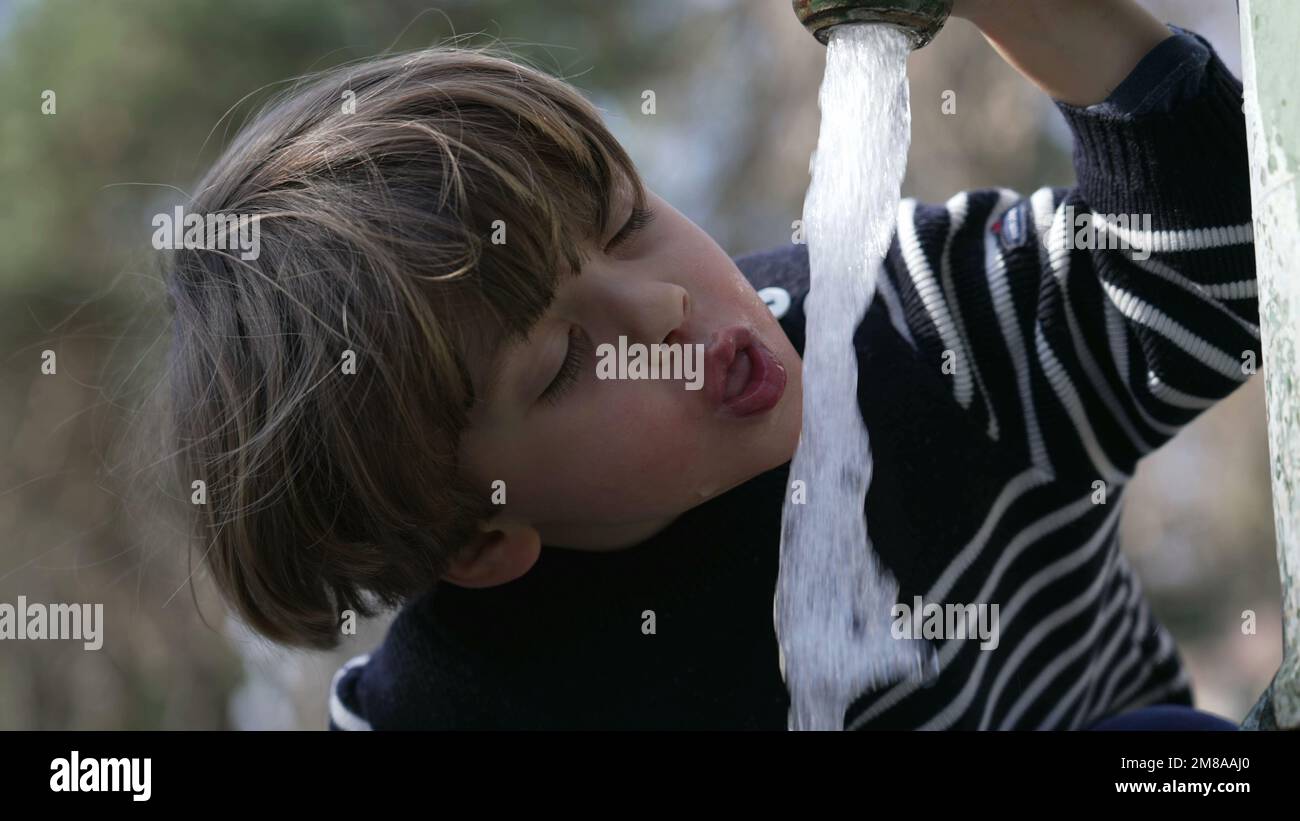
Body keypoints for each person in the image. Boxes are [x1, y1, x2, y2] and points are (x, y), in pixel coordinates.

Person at [161, 0, 1259, 729]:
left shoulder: (902, 323)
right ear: (486, 536)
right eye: (565, 363)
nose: (669, 304)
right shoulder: (466, 707)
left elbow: (1218, 278)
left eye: (629, 220)